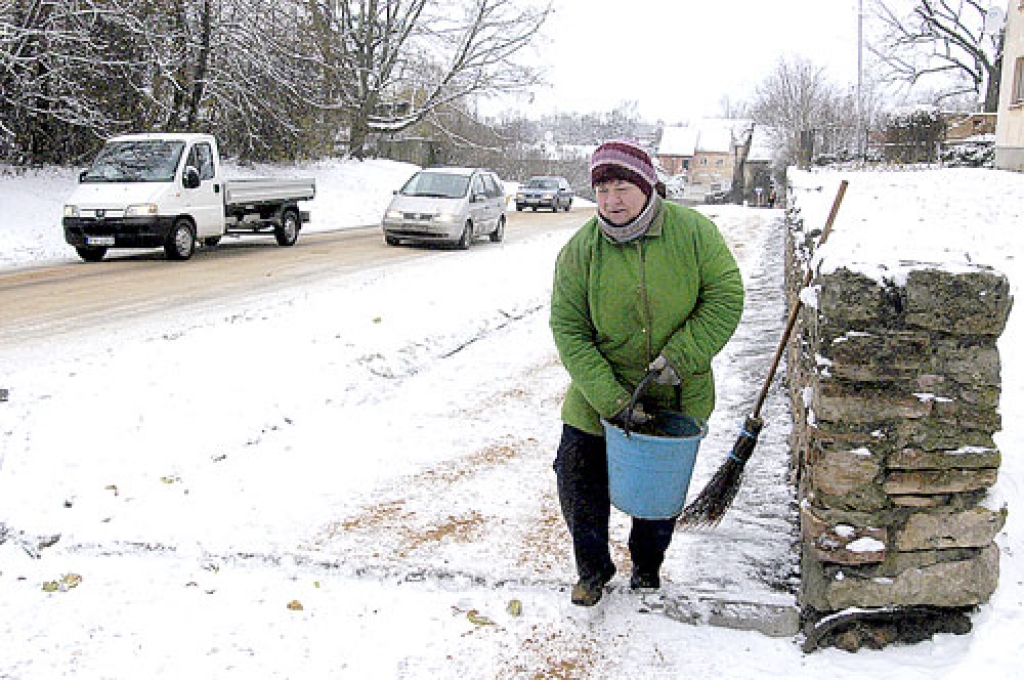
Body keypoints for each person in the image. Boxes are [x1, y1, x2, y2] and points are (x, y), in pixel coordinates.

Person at [549, 139, 744, 606]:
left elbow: (725, 295)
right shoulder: (580, 252)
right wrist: (613, 400)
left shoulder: (693, 233)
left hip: (675, 391)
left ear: (647, 186)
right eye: (602, 191)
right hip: (601, 393)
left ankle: (647, 567)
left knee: (657, 497)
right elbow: (569, 329)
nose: (612, 201)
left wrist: (682, 357)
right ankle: (592, 569)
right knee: (576, 478)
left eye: (622, 188)